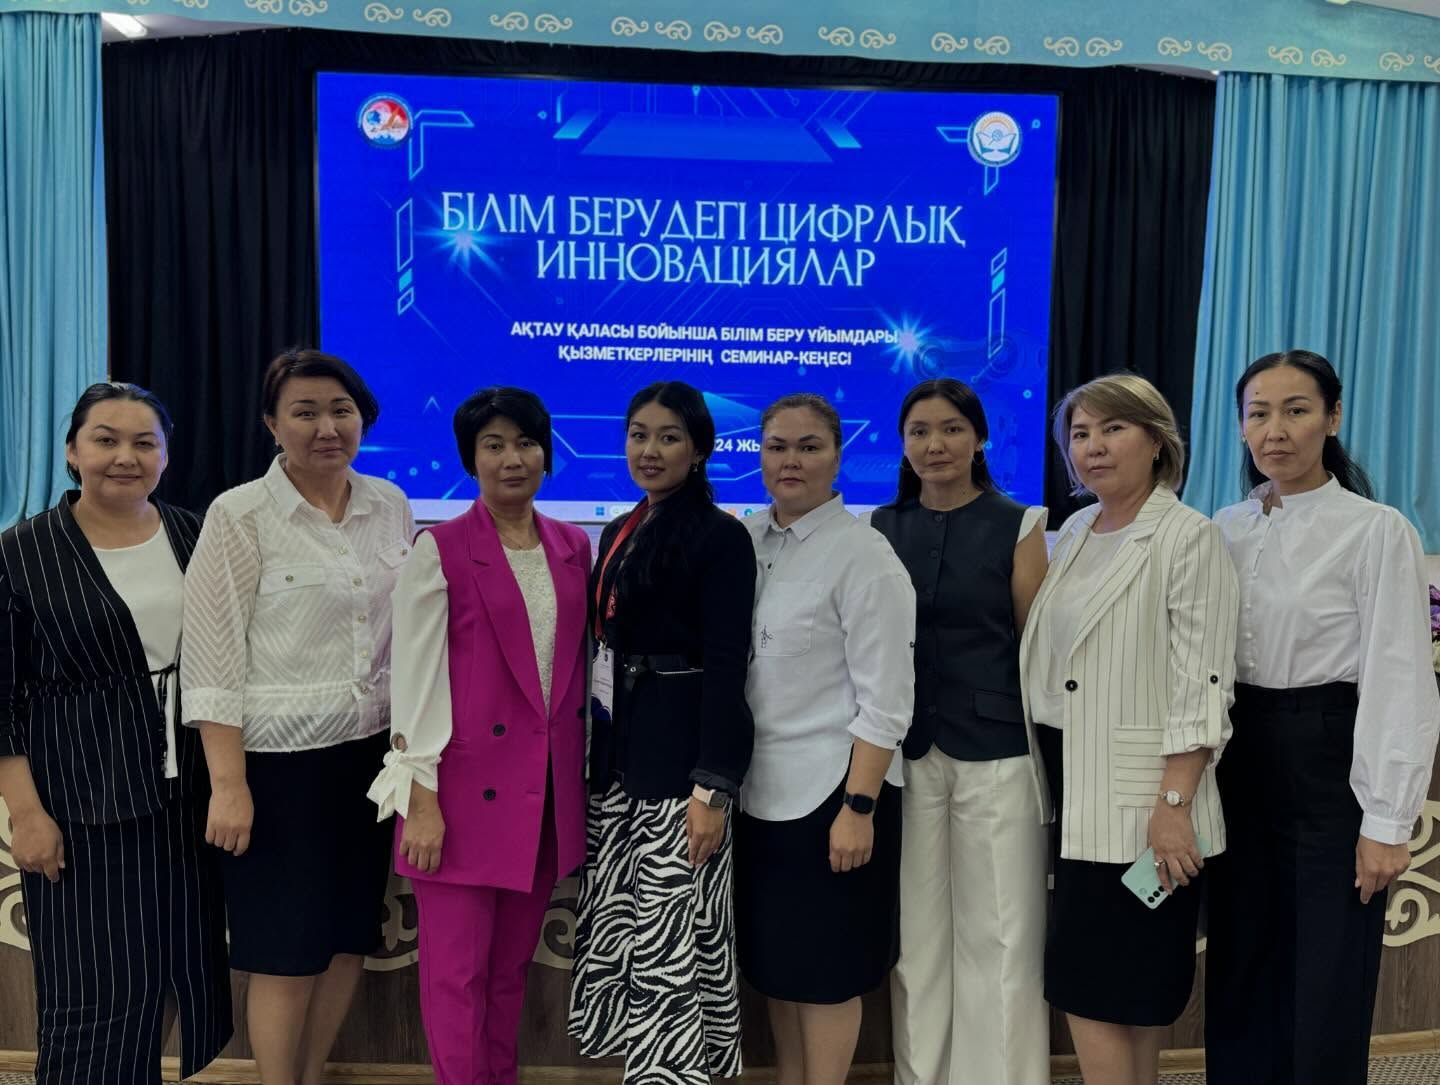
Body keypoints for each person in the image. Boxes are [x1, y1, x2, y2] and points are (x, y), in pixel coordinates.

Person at [1205, 349, 1440, 1085]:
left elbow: (1399, 676)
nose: (1275, 430)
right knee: (1242, 958)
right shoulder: (1224, 527)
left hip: (1329, 752)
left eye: (1296, 410)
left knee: (1327, 966)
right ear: (1241, 426)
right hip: (1237, 754)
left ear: (1332, 418)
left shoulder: (1374, 529)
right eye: (1258, 413)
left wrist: (1387, 821)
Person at [181, 349, 415, 1085]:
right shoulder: (239, 514)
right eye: (305, 412)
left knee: (346, 938)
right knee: (285, 951)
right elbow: (212, 657)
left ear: (363, 419)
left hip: (369, 761)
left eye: (341, 410)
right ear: (271, 424)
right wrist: (229, 784)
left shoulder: (390, 503)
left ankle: (311, 1075)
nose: (326, 428)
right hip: (274, 770)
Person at [0, 382, 231, 1084]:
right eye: (105, 439)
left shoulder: (195, 533)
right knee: (90, 989)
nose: (124, 456)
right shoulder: (21, 551)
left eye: (143, 442)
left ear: (165, 455)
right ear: (73, 451)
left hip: (186, 802)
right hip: (81, 806)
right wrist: (27, 814)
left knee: (174, 969)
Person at [366, 387, 591, 1085]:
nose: (511, 459)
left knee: (508, 973)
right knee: (455, 979)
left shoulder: (572, 546)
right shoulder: (439, 548)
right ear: (471, 460)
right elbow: (415, 680)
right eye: (493, 446)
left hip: (541, 795)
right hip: (459, 796)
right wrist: (421, 800)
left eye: (525, 443)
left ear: (546, 453)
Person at [1019, 373, 1238, 1085]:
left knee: (1102, 988)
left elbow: (1203, 683)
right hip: (1073, 783)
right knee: (1121, 993)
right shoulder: (1076, 532)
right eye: (1080, 433)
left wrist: (1173, 805)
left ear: (1157, 440)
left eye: (1113, 428)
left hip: (1146, 802)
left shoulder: (1189, 535)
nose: (1093, 446)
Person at [568, 381, 755, 1084]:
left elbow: (729, 667)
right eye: (639, 434)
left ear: (699, 449)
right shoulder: (622, 527)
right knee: (629, 937)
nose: (650, 450)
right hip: (621, 764)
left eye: (669, 437)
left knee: (671, 947)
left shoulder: (721, 535)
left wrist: (712, 786)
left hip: (682, 773)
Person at [867, 379, 1050, 1085]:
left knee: (1000, 933)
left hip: (998, 751)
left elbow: (1037, 649)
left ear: (979, 437)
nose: (934, 444)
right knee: (917, 935)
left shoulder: (1020, 523)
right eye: (919, 431)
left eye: (950, 429)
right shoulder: (880, 526)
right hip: (909, 752)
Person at [737, 393, 916, 1085]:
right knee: (780, 970)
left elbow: (887, 699)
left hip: (834, 796)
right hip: (759, 794)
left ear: (837, 457)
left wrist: (858, 806)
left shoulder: (864, 555)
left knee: (828, 973)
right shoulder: (747, 539)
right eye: (777, 446)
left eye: (809, 446)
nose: (791, 460)